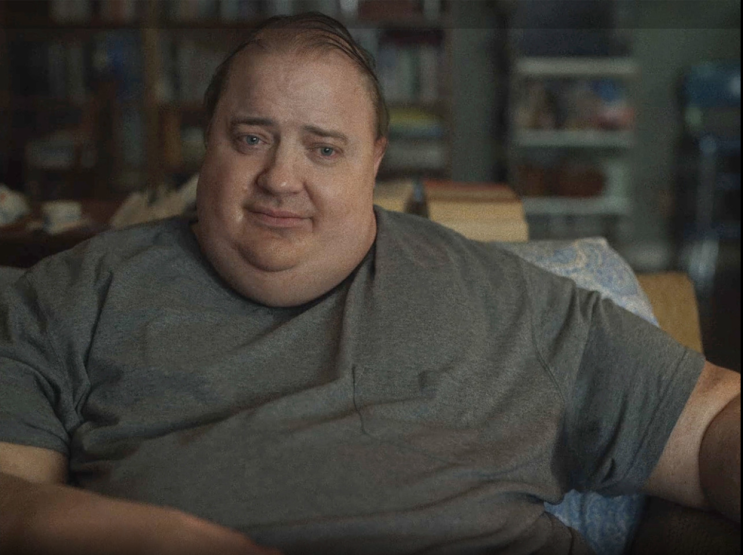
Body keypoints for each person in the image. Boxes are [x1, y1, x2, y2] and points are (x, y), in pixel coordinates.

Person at [0, 13, 739, 555]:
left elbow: (712, 423)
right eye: (251, 137)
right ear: (206, 143)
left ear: (374, 162)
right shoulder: (74, 292)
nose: (280, 178)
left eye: (324, 149)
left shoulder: (507, 299)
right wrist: (152, 538)